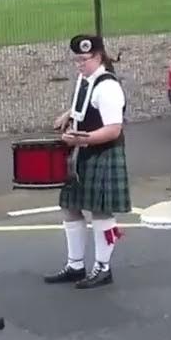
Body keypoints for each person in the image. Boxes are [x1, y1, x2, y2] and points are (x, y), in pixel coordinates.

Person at [44, 35, 129, 290]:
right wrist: (68, 114)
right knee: (70, 207)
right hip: (82, 152)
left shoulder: (109, 87)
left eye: (84, 59)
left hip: (102, 153)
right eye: (76, 59)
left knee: (102, 213)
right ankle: (75, 265)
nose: (79, 64)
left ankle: (103, 268)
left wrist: (81, 139)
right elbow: (84, 105)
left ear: (99, 57)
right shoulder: (86, 79)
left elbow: (114, 129)